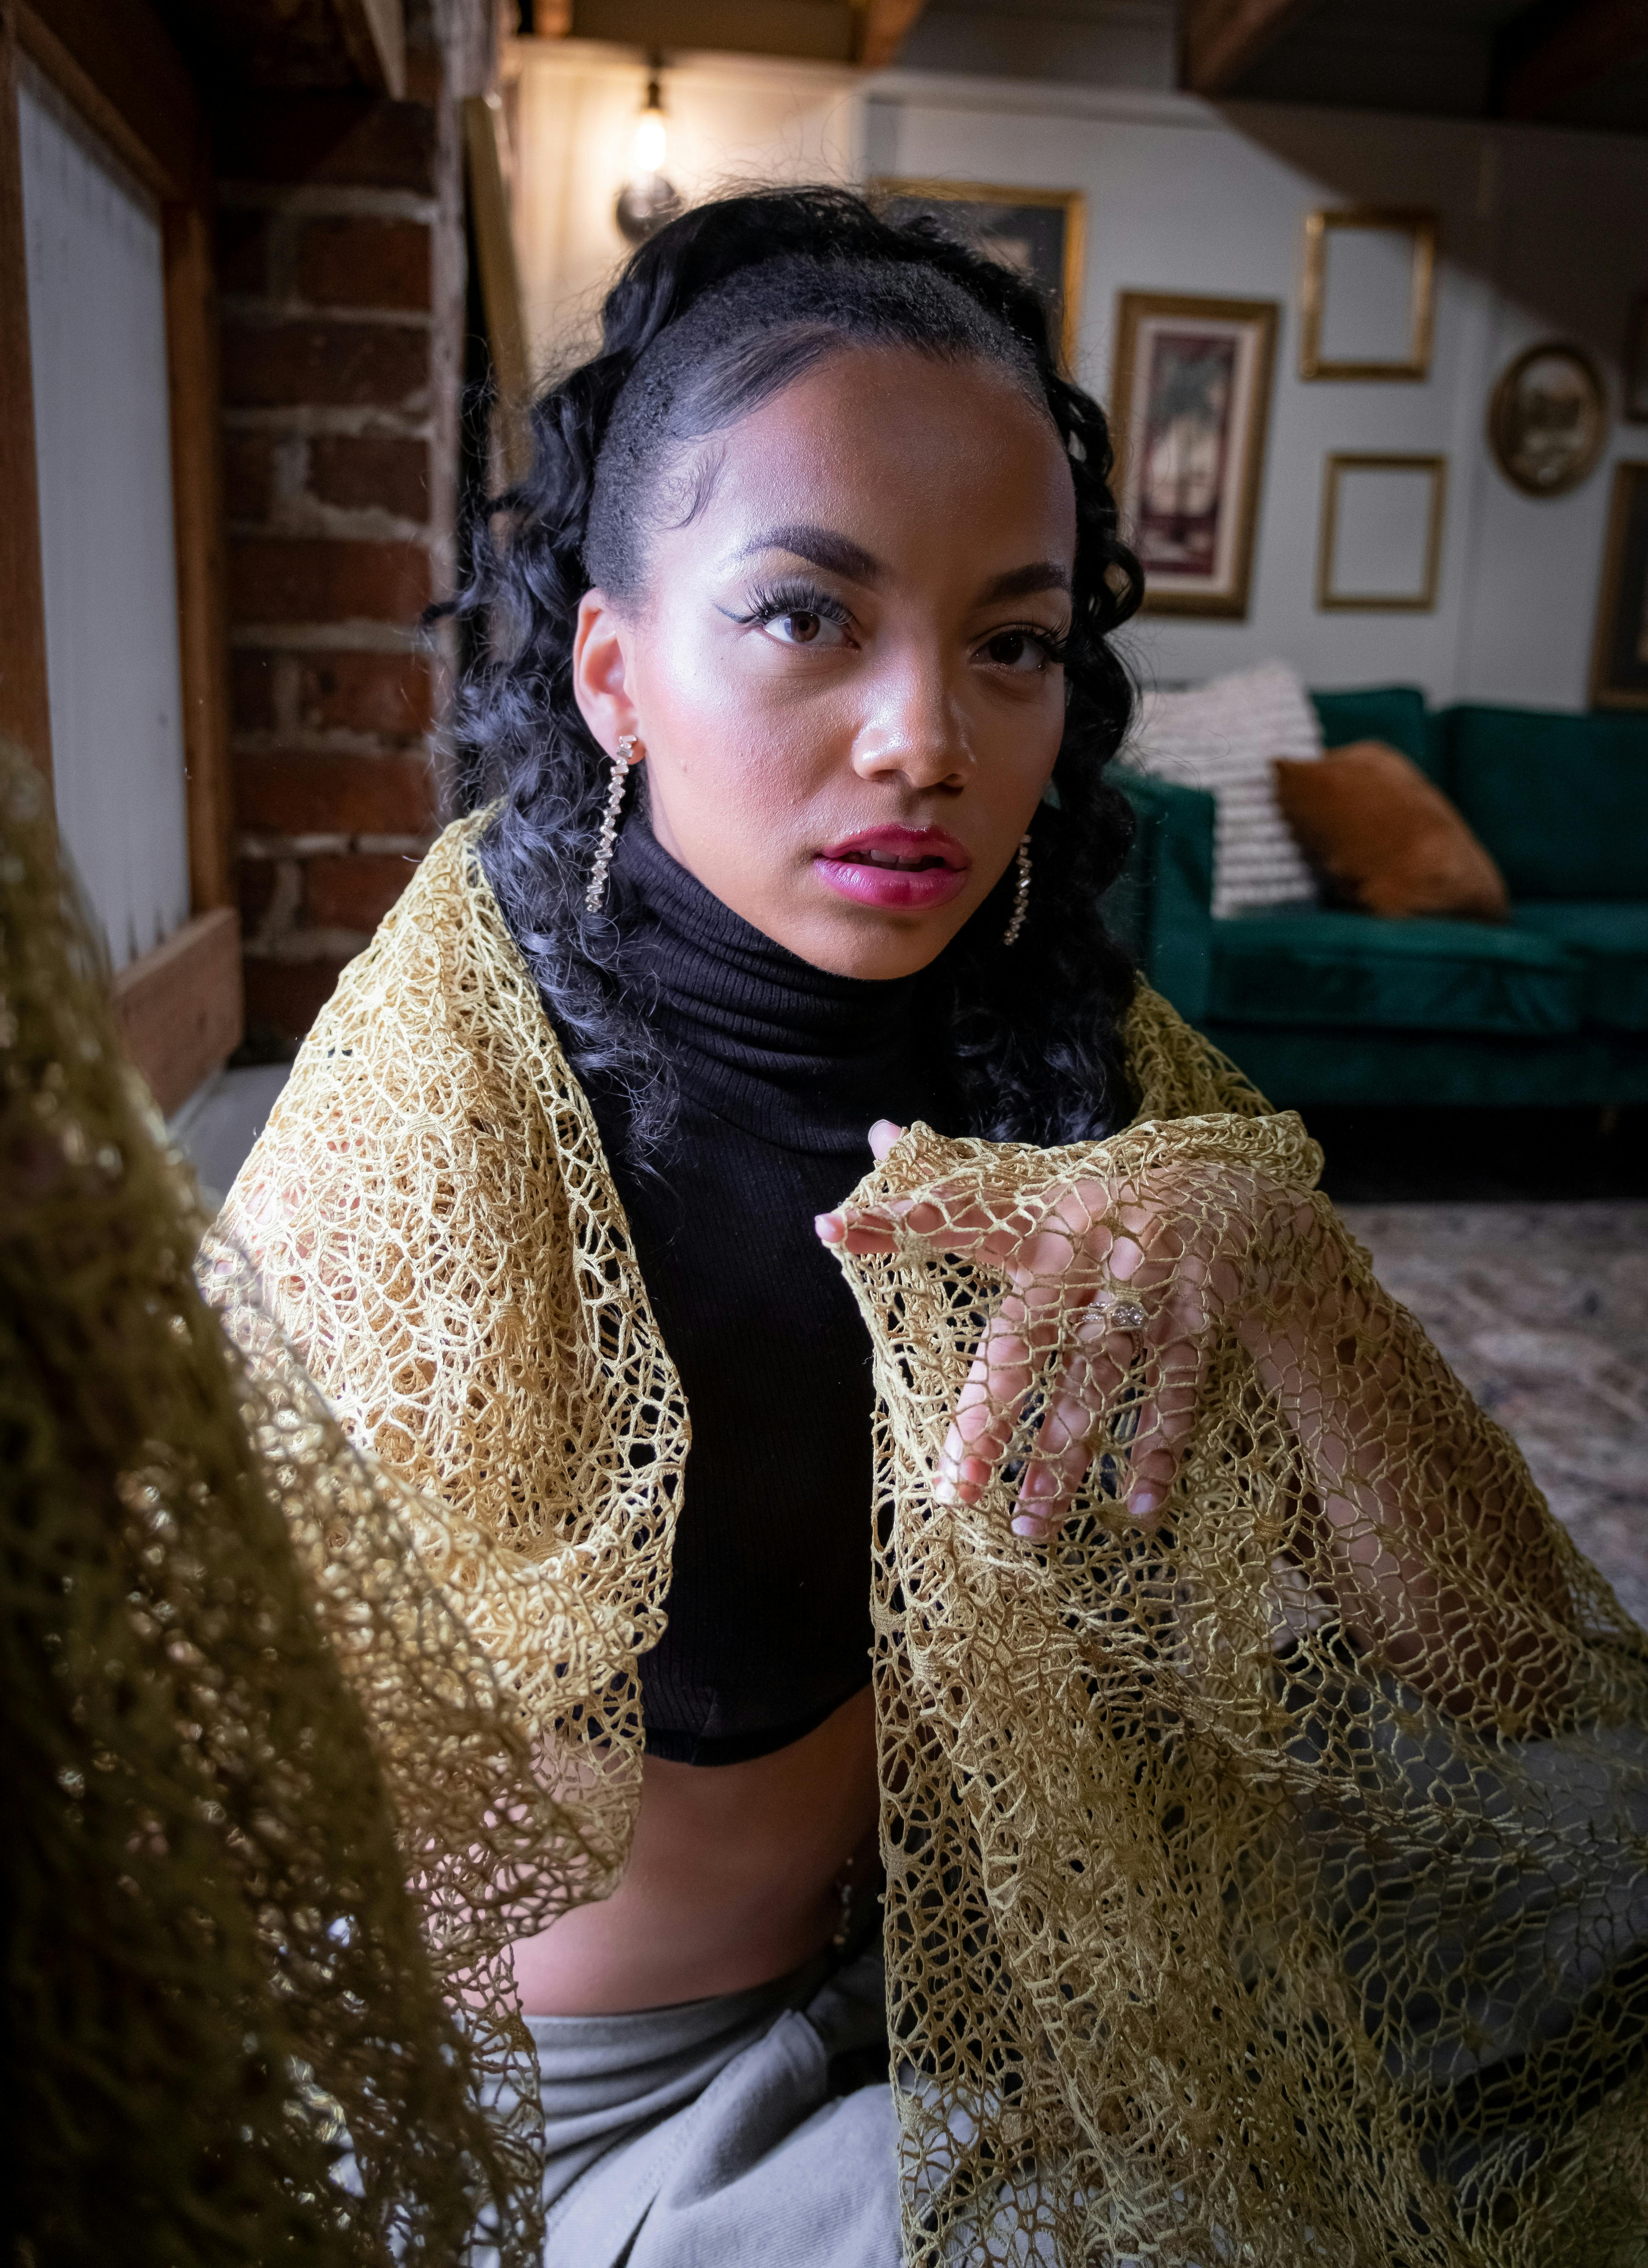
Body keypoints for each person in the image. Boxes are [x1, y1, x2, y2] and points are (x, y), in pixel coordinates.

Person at [216, 187, 1645, 2268]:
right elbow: (243, 1824)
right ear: (613, 668)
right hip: (578, 2115)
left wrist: (1279, 1264)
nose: (927, 740)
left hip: (983, 1945)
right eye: (811, 614)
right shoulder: (443, 1120)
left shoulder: (1070, 1047)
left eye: (1014, 644)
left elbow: (1513, 1669)